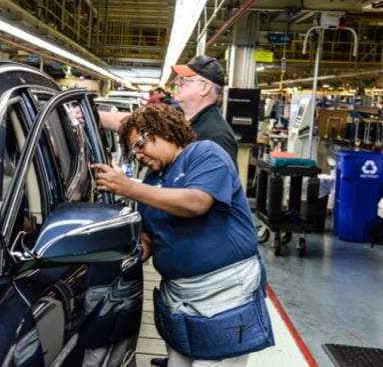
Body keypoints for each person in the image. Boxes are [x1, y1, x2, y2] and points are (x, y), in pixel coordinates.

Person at [91, 104, 274, 367]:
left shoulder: (205, 154)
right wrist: (124, 257)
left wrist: (129, 187)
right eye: (133, 152)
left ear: (163, 131)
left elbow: (196, 203)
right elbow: (150, 237)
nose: (138, 155)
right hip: (178, 300)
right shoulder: (154, 180)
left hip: (223, 297)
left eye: (140, 145)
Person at [96, 55, 238, 169]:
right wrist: (95, 117)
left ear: (205, 87)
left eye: (184, 79)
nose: (177, 83)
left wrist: (129, 188)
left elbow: (206, 197)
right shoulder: (177, 117)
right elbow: (134, 121)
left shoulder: (217, 136)